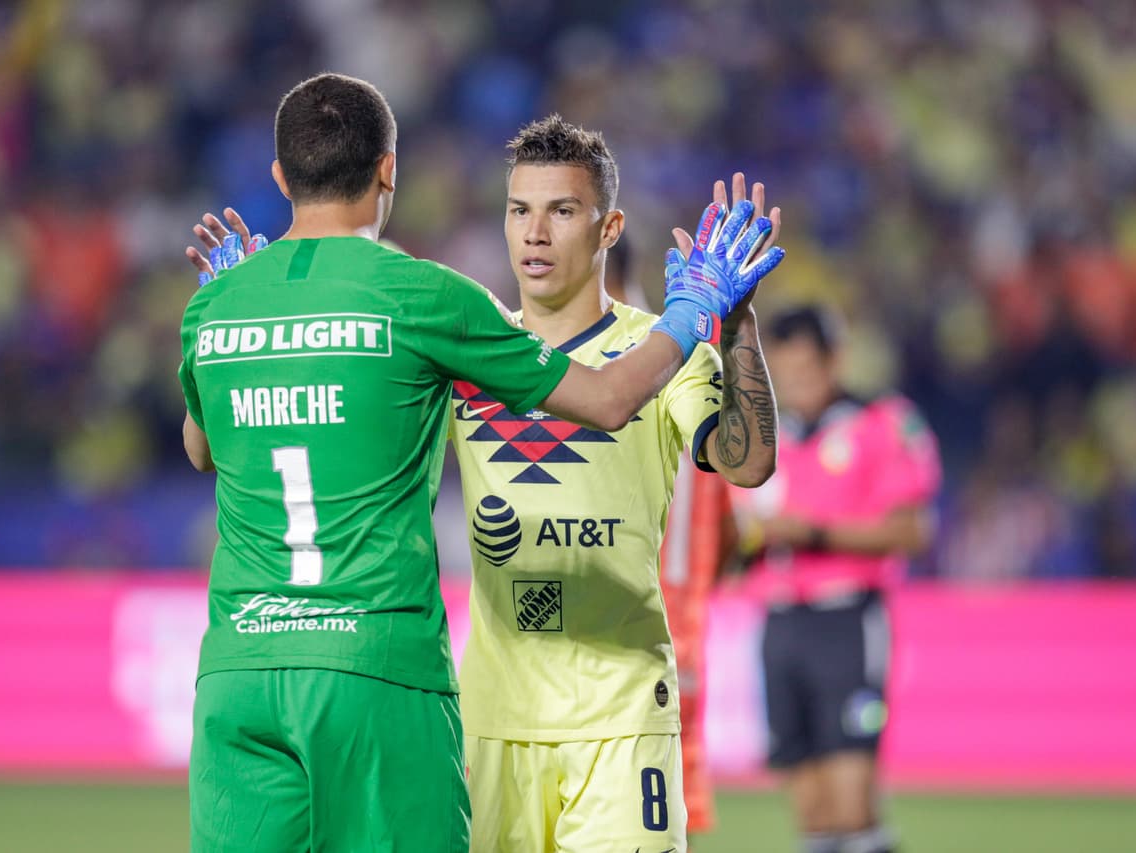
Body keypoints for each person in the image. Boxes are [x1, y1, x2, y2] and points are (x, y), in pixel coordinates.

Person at [178, 74, 782, 853]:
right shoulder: (463, 343)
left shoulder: (656, 353)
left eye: (561, 211)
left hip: (621, 708)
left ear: (607, 229)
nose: (534, 232)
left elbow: (748, 461)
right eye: (518, 210)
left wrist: (729, 328)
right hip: (492, 714)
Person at [731, 305, 941, 853]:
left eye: (806, 371)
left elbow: (913, 531)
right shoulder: (759, 436)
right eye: (785, 373)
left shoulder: (883, 423)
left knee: (853, 804)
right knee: (814, 813)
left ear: (835, 360)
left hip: (846, 622)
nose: (795, 386)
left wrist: (812, 533)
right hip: (778, 624)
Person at [608, 235, 735, 839]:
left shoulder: (599, 366)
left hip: (613, 636)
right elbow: (736, 507)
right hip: (681, 635)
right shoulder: (689, 360)